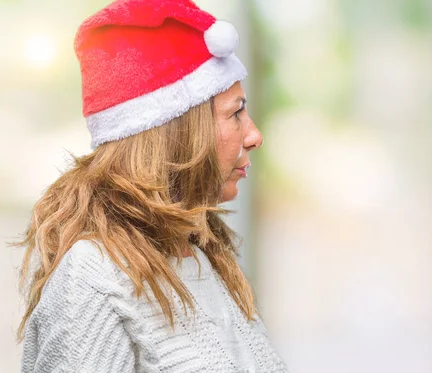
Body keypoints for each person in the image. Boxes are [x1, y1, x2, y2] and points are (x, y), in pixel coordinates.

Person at [16, 0, 288, 372]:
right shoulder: (93, 279)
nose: (254, 135)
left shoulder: (203, 255)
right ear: (176, 133)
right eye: (235, 112)